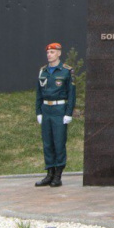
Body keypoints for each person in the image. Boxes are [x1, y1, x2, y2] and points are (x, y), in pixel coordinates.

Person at [35, 42, 75, 187]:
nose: (49, 55)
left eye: (52, 52)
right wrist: (38, 111)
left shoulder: (66, 71)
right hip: (46, 109)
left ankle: (58, 175)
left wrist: (68, 113)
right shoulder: (43, 71)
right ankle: (49, 173)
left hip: (59, 110)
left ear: (59, 53)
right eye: (48, 52)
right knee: (47, 143)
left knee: (59, 143)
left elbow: (71, 94)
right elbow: (39, 93)